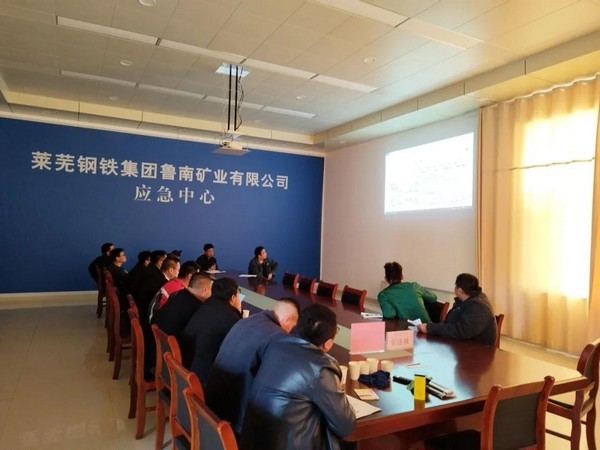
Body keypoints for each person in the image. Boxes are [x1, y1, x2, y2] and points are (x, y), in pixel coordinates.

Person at [240, 303, 356, 450]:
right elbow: (345, 426)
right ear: (327, 344)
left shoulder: (275, 344)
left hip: (254, 441)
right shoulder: (319, 367)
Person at [204, 297, 300, 436]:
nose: (290, 331)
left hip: (210, 404)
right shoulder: (276, 336)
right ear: (288, 319)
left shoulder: (247, 320)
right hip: (232, 421)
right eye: (292, 326)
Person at [180, 277, 242, 385]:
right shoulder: (231, 317)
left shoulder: (205, 304)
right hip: (201, 380)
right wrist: (238, 312)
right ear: (233, 297)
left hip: (184, 369)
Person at [417, 273, 497, 346]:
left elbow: (461, 331)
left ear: (460, 291)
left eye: (455, 286)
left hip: (477, 349)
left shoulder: (478, 306)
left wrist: (430, 328)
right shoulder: (466, 300)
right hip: (462, 343)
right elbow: (451, 322)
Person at [151, 272, 212, 339]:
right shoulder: (196, 307)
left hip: (153, 337)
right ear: (205, 290)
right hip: (167, 343)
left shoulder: (177, 294)